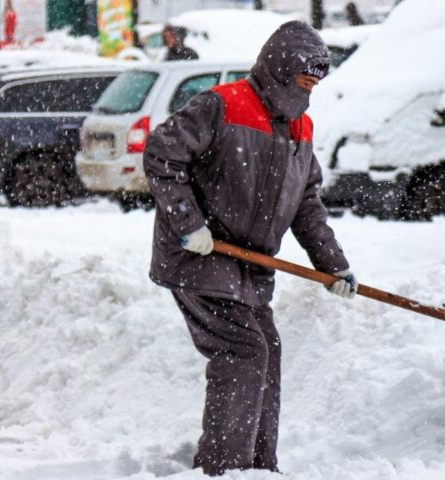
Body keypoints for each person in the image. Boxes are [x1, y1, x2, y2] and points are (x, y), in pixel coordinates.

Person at [143, 21, 357, 476]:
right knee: (243, 351)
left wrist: (334, 266)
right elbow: (162, 152)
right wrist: (190, 224)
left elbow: (307, 205)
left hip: (247, 268)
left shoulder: (300, 127)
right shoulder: (223, 105)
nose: (310, 87)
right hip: (199, 256)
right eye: (304, 78)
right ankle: (225, 468)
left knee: (267, 349)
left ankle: (258, 466)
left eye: (316, 81)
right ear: (281, 68)